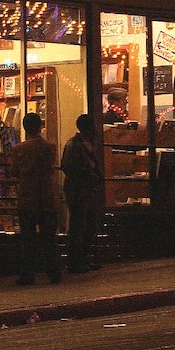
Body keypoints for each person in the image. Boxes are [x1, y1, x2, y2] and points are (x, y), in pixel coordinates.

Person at [12, 112, 62, 285]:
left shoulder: (20, 149)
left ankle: (28, 274)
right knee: (49, 238)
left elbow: (14, 171)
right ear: (40, 126)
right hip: (47, 196)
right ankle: (54, 272)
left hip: (27, 197)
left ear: (25, 128)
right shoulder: (50, 147)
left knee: (28, 238)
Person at [60, 113, 104, 273]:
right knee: (79, 225)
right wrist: (89, 175)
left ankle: (84, 258)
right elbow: (69, 166)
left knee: (88, 225)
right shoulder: (74, 145)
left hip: (86, 189)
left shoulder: (87, 144)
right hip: (78, 190)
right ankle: (76, 261)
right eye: (92, 125)